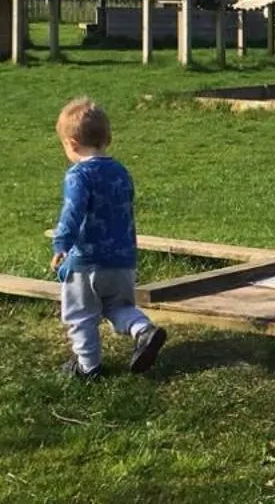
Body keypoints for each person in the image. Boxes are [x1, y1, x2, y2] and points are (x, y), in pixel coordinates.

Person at [51, 97, 166, 380]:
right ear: (108, 139)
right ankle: (143, 330)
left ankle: (88, 367)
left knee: (81, 316)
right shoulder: (121, 172)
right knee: (119, 307)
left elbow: (73, 212)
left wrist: (61, 244)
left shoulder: (79, 175)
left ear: (72, 143)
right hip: (122, 259)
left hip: (86, 261)